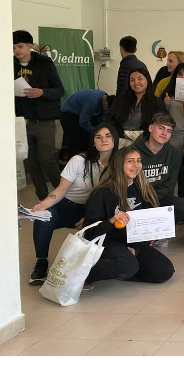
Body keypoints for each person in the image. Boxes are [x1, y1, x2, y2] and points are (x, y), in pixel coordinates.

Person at [28, 122, 119, 285]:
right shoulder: (79, 160)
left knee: (103, 227)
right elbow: (61, 189)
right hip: (66, 205)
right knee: (43, 218)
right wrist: (43, 205)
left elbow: (114, 196)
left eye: (108, 136)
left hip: (90, 210)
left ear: (115, 139)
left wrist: (90, 217)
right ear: (93, 142)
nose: (103, 140)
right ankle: (41, 262)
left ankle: (91, 266)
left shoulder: (118, 164)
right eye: (98, 137)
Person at [82, 146, 175, 285]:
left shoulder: (143, 190)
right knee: (128, 264)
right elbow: (88, 233)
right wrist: (111, 221)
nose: (136, 165)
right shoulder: (103, 192)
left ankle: (124, 268)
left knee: (164, 270)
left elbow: (148, 229)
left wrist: (136, 250)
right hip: (107, 242)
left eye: (139, 160)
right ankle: (82, 274)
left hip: (133, 243)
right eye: (130, 161)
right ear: (119, 164)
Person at [13, 30, 65, 200]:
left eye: (20, 46)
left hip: (44, 119)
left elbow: (59, 90)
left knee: (47, 158)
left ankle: (62, 194)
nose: (17, 50)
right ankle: (42, 197)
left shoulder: (44, 63)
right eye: (13, 47)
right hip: (22, 120)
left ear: (30, 46)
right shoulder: (11, 65)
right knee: (31, 161)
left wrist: (42, 92)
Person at [132, 114, 184, 223]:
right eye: (161, 128)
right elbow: (129, 184)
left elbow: (169, 186)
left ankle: (163, 230)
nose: (164, 133)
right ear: (150, 128)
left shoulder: (174, 154)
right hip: (137, 198)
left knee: (181, 207)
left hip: (160, 198)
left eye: (169, 131)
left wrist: (153, 203)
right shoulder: (132, 151)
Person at [160, 63, 184, 197]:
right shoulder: (169, 93)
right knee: (173, 170)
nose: (183, 77)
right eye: (180, 74)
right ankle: (173, 197)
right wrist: (164, 105)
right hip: (173, 137)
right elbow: (160, 116)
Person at [106, 68, 166, 142]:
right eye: (132, 80)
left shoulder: (157, 102)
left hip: (146, 141)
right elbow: (109, 119)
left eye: (140, 79)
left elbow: (161, 123)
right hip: (120, 139)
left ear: (147, 80)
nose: (136, 82)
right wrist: (122, 133)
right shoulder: (120, 99)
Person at [59, 89, 109, 159]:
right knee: (76, 137)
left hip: (80, 111)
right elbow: (83, 122)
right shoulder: (93, 101)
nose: (106, 111)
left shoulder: (106, 98)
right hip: (68, 112)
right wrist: (95, 132)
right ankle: (72, 158)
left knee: (92, 131)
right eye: (107, 109)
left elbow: (101, 118)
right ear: (106, 103)